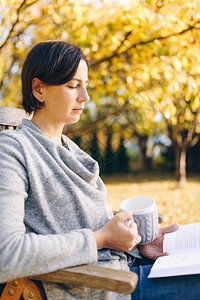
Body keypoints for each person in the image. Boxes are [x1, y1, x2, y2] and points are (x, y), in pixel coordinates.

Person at [0, 40, 199, 300]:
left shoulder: (72, 151)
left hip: (128, 266)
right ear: (39, 89)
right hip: (110, 288)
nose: (85, 97)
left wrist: (137, 244)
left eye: (86, 85)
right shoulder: (12, 151)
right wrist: (101, 238)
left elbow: (89, 224)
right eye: (73, 86)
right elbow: (8, 254)